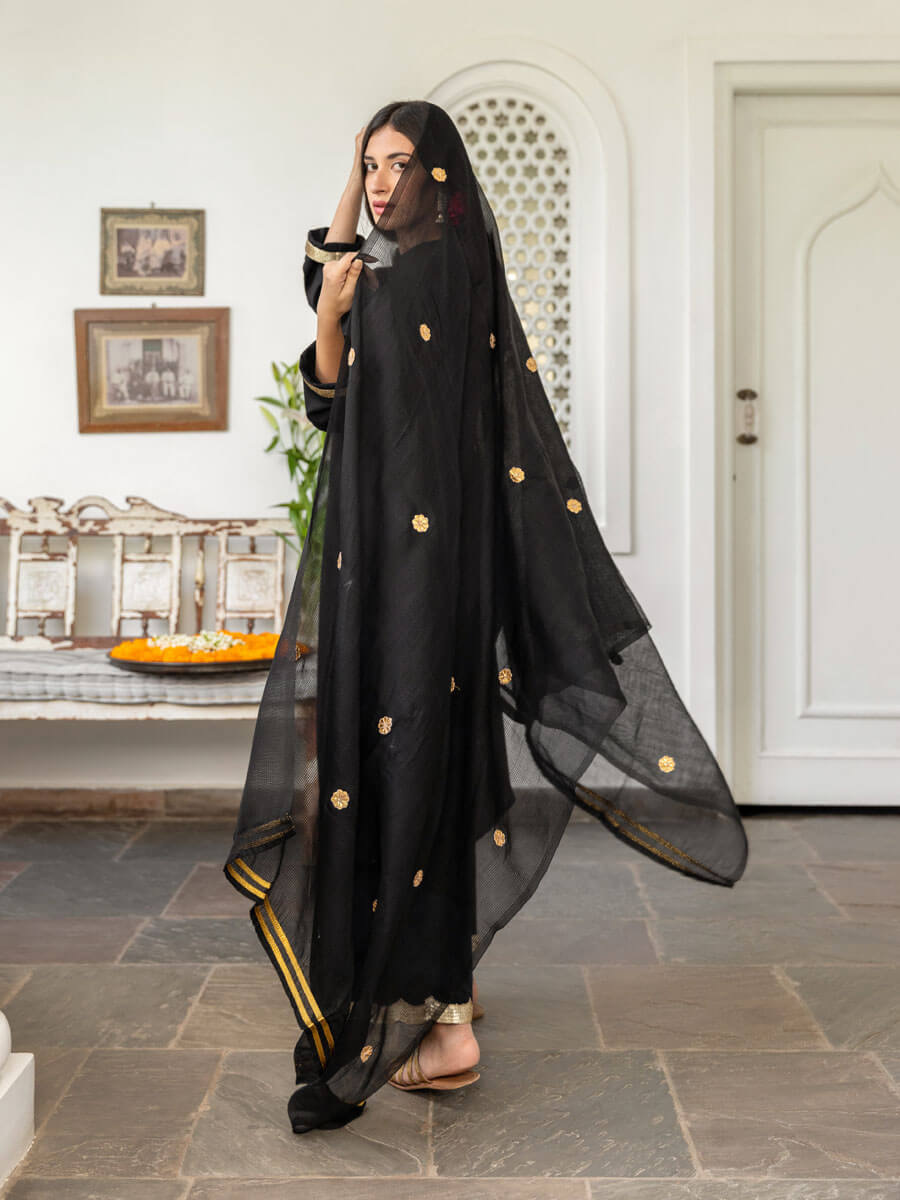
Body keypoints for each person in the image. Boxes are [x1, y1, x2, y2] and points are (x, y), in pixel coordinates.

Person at [224, 99, 748, 1136]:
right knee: (425, 759)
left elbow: (331, 371)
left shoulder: (414, 277)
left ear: (441, 177)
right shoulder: (443, 270)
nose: (380, 184)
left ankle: (445, 1028)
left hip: (408, 574)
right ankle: (444, 995)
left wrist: (329, 316)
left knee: (412, 765)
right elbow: (335, 360)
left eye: (399, 164)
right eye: (369, 165)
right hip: (415, 563)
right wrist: (339, 270)